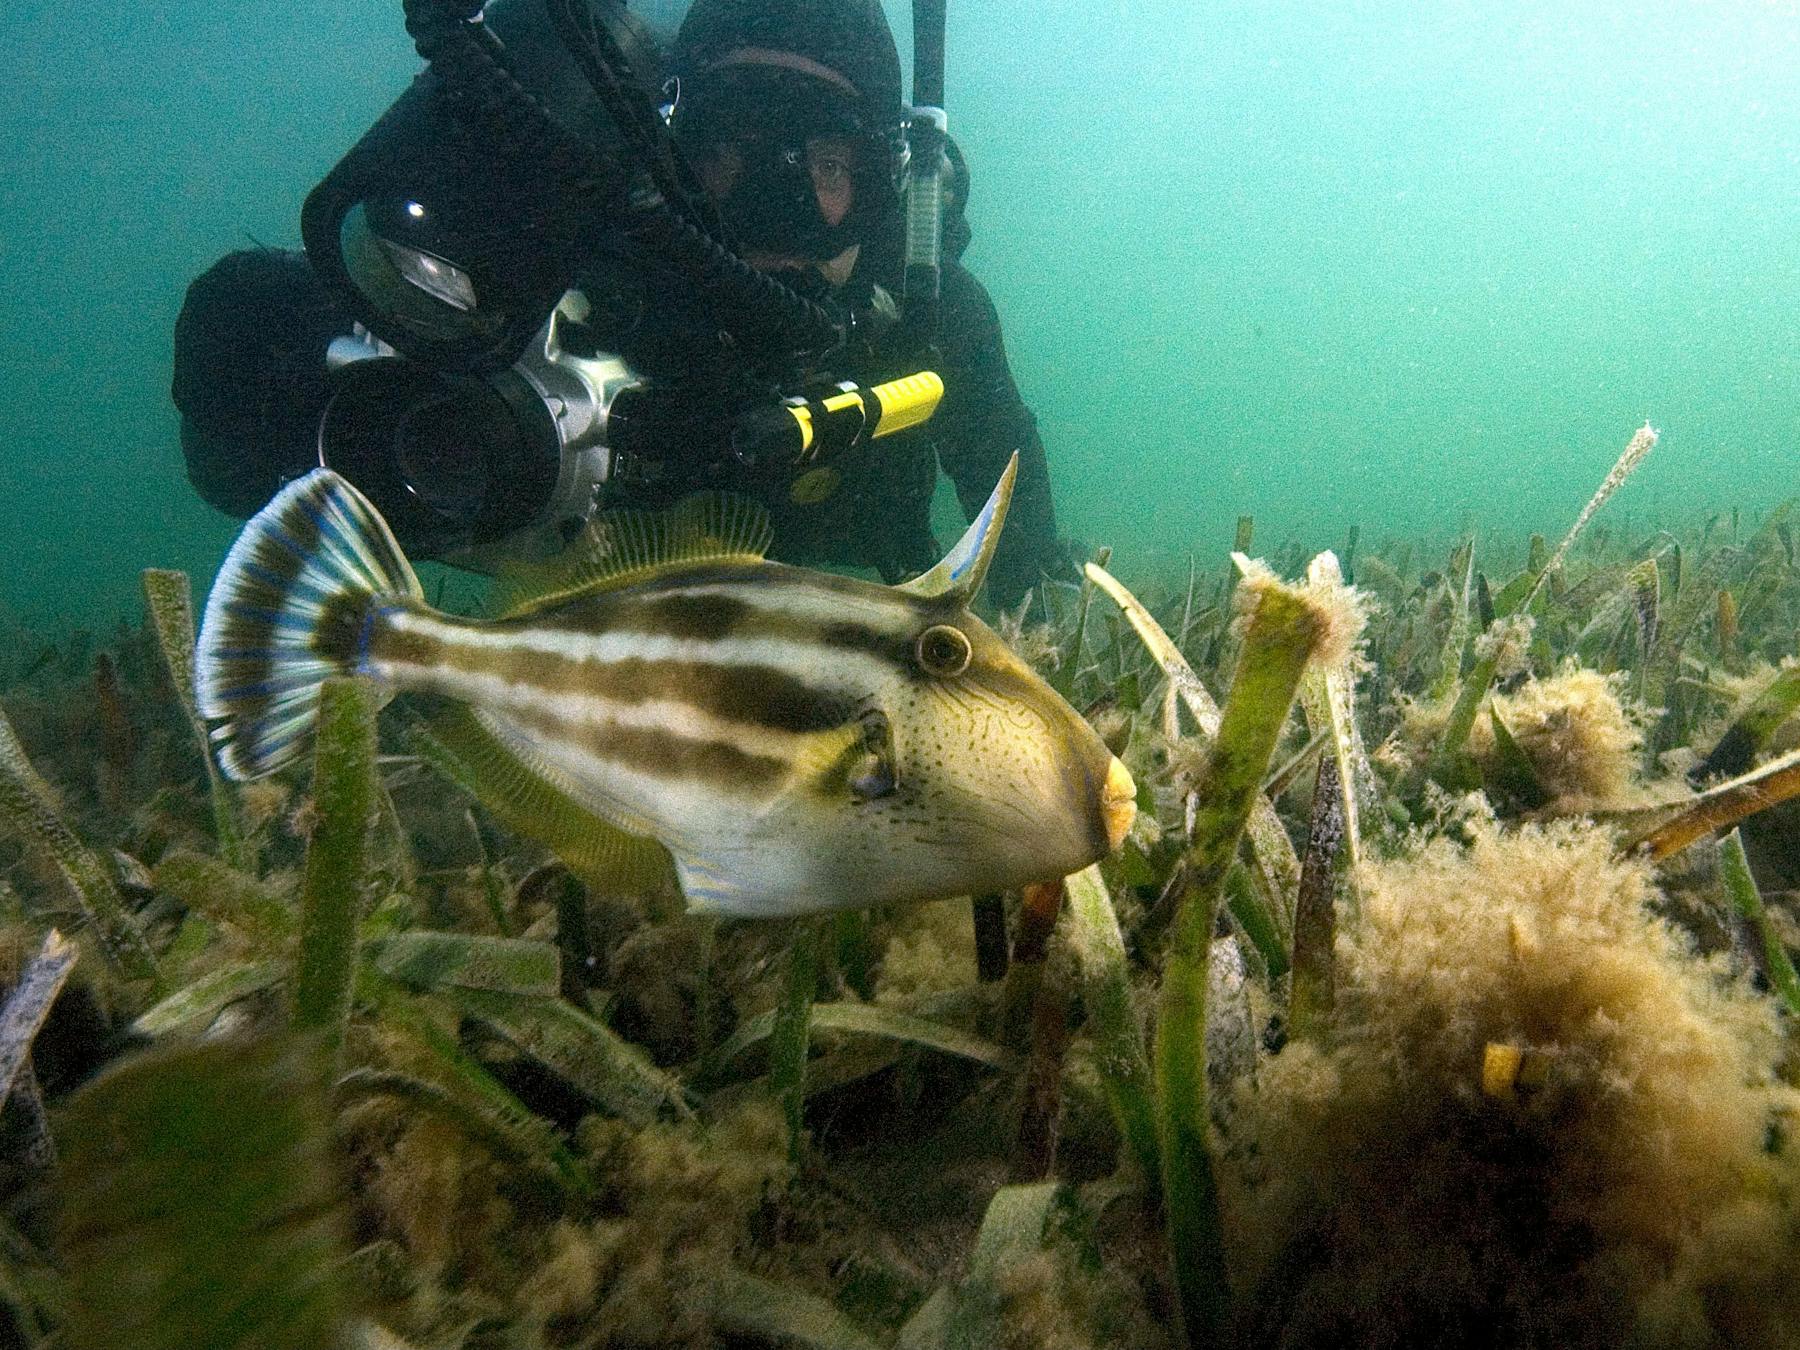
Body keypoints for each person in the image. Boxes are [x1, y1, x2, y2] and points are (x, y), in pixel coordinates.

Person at [171, 0, 1068, 607]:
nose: (773, 205)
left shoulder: (929, 320)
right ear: (666, 151)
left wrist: (1037, 596)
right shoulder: (587, 268)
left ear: (885, 185)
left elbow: (1021, 521)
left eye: (826, 163)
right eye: (729, 149)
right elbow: (237, 353)